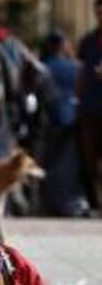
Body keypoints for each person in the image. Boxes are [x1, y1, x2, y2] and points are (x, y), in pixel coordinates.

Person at [40, 31, 87, 216]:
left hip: (51, 120)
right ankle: (69, 202)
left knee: (50, 164)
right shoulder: (75, 67)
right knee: (69, 164)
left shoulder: (43, 67)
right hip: (73, 119)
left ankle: (51, 203)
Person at [75, 0, 102, 210]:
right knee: (88, 159)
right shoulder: (88, 41)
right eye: (98, 13)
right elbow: (80, 71)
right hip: (90, 108)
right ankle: (94, 203)